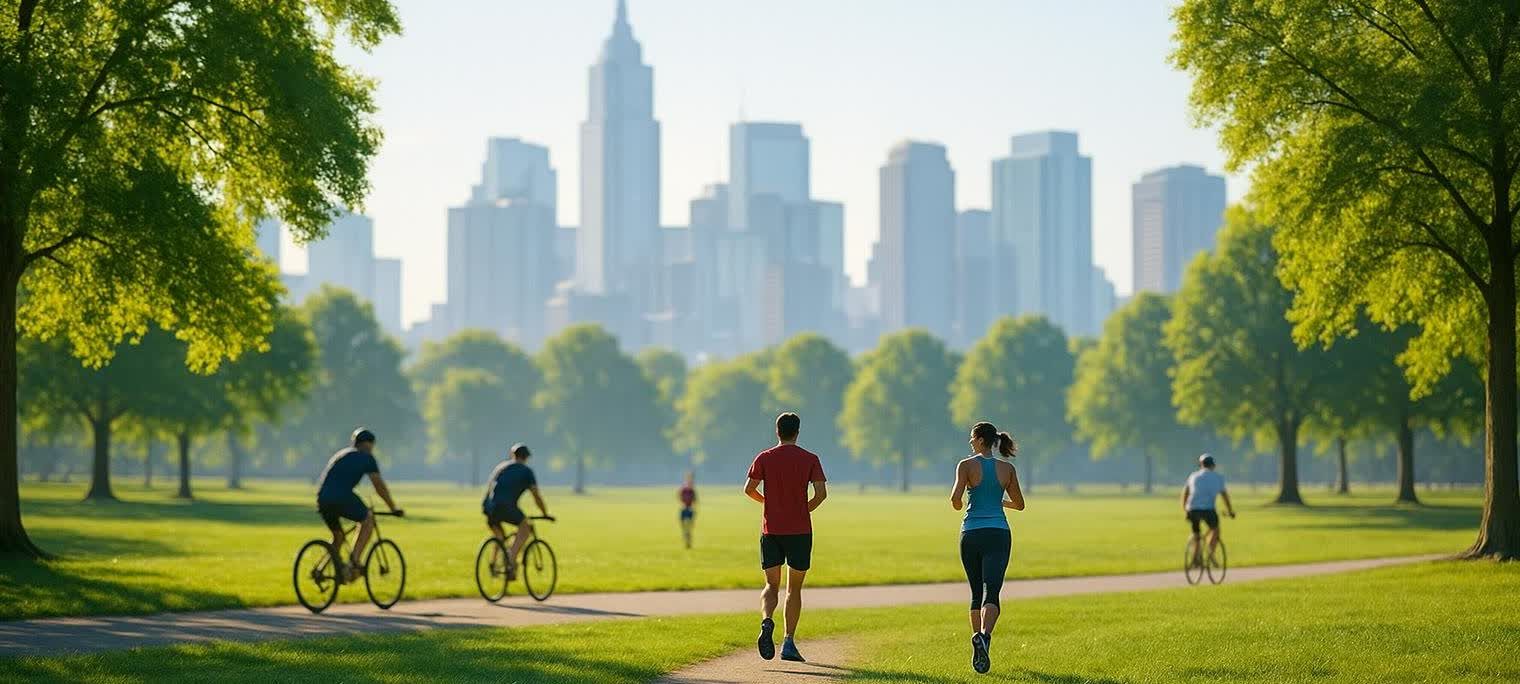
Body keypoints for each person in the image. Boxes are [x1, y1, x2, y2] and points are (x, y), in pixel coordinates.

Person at [744, 412, 827, 663]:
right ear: (798, 432)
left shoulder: (764, 458)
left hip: (771, 531)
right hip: (800, 531)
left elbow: (749, 489)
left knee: (771, 584)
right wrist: (803, 509)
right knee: (794, 588)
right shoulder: (810, 459)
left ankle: (767, 621)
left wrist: (768, 503)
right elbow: (821, 493)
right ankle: (789, 641)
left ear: (777, 431)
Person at [949, 421, 1024, 674]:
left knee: (974, 592)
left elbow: (955, 500)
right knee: (992, 591)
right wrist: (998, 501)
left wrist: (965, 501)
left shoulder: (966, 465)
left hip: (970, 533)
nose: (970, 442)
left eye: (972, 438)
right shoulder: (1007, 469)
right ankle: (985, 637)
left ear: (981, 440)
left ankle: (977, 644)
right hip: (998, 534)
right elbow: (1019, 504)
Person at [315, 428, 401, 582]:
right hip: (341, 497)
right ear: (370, 444)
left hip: (322, 498)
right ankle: (353, 563)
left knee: (338, 537)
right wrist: (393, 508)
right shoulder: (367, 457)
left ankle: (320, 570)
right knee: (367, 519)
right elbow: (379, 486)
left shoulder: (341, 454)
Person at [482, 443, 550, 579]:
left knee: (499, 537)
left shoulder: (500, 467)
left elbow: (490, 487)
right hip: (506, 507)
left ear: (513, 455)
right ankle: (511, 561)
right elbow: (536, 495)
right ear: (526, 458)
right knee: (525, 527)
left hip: (489, 507)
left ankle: (493, 565)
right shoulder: (526, 472)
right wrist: (544, 513)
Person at [1182, 453, 1236, 563]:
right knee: (1215, 529)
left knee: (1196, 533)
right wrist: (1230, 511)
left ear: (1201, 465)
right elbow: (1224, 496)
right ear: (1213, 465)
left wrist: (1185, 509)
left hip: (1192, 509)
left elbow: (1186, 493)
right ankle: (1211, 553)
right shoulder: (1218, 477)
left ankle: (1195, 558)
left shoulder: (1193, 476)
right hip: (1208, 510)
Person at [678, 471, 697, 549]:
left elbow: (694, 500)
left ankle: (688, 542)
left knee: (688, 528)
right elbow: (680, 497)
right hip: (685, 509)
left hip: (688, 510)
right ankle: (687, 541)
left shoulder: (691, 490)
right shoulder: (685, 489)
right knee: (685, 528)